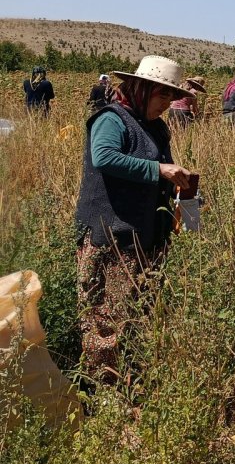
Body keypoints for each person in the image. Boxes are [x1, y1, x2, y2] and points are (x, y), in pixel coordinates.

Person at [74, 55, 197, 384]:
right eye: (162, 95)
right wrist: (160, 169)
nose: (167, 104)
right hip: (112, 239)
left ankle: (131, 385)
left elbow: (164, 177)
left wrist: (188, 203)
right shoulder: (111, 119)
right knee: (105, 323)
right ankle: (105, 397)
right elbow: (104, 157)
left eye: (172, 97)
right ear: (142, 88)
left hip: (146, 238)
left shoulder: (156, 127)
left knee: (137, 319)